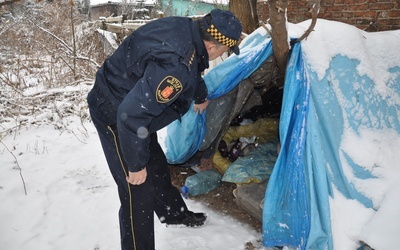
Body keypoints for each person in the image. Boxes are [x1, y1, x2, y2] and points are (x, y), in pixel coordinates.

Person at [87, 9, 242, 250]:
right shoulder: (177, 65)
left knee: (156, 165)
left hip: (136, 106)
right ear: (212, 46)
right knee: (136, 190)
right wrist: (135, 166)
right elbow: (130, 117)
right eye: (225, 50)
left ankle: (173, 213)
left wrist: (199, 94)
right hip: (115, 114)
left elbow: (193, 66)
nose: (222, 54)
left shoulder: (190, 31)